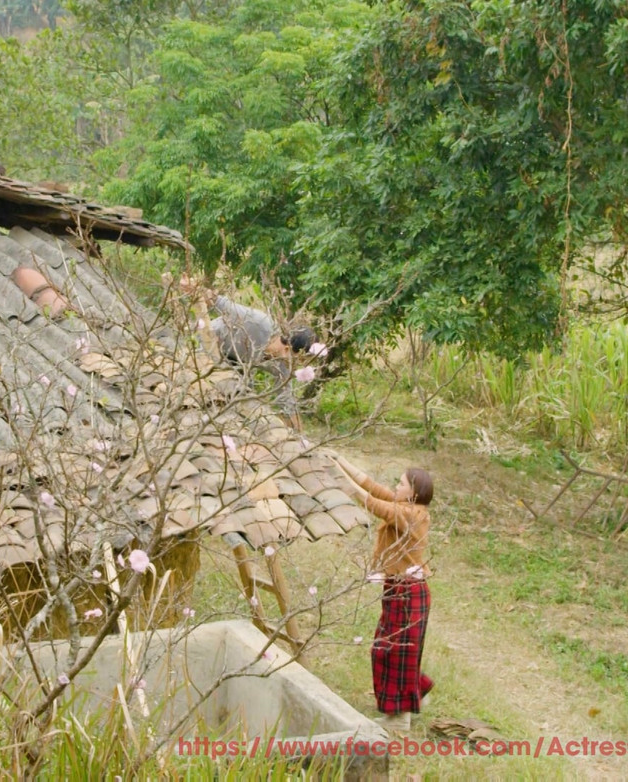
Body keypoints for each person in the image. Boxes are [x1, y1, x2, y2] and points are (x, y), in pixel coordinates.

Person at [333, 455, 435, 732]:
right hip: (401, 589)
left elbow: (372, 502)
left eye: (401, 484)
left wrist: (334, 476)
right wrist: (340, 461)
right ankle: (413, 695)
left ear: (413, 492)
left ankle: (399, 717)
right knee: (396, 651)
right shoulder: (405, 506)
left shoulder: (412, 515)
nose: (396, 486)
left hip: (407, 592)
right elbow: (373, 487)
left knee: (391, 651)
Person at [176, 276, 317, 424]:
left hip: (236, 363)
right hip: (208, 346)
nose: (297, 366)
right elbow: (220, 303)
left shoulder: (282, 367)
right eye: (299, 359)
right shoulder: (259, 322)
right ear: (287, 349)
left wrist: (300, 438)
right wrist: (193, 287)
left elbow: (287, 402)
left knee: (243, 394)